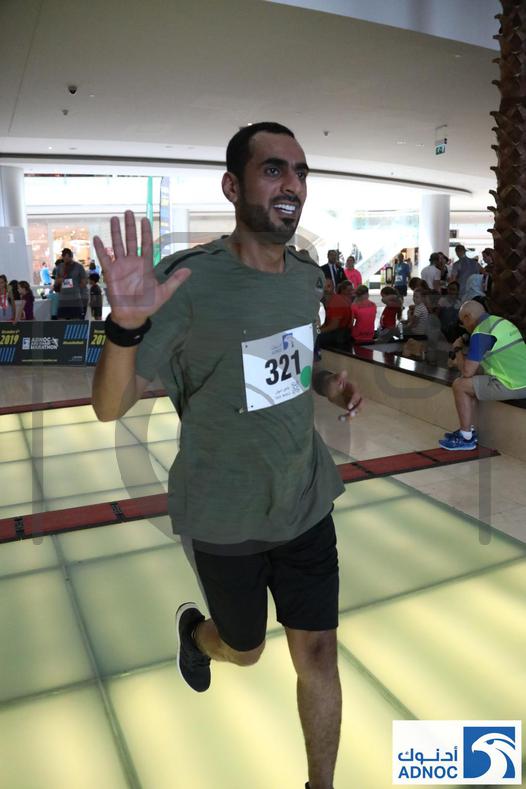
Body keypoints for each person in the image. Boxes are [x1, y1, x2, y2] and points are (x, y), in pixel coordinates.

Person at [92, 121, 364, 789]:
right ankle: (197, 636)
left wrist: (326, 380)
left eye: (300, 171)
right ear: (232, 186)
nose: (292, 183)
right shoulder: (189, 282)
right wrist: (126, 327)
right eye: (273, 169)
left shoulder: (304, 276)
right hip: (224, 513)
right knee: (244, 650)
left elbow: (291, 357)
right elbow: (109, 405)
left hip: (304, 498)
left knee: (318, 654)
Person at [439, 300, 526, 450]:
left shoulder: (481, 332)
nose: (464, 327)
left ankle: (466, 437)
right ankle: (469, 431)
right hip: (520, 379)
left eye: (462, 323)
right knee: (472, 381)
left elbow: (466, 372)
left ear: (467, 317)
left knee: (460, 385)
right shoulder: (501, 322)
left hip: (514, 384)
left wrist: (457, 349)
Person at [318, 278, 353, 350]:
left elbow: (334, 326)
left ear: (333, 287)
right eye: (323, 286)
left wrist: (318, 331)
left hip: (340, 335)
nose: (325, 289)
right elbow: (328, 322)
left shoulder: (335, 303)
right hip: (340, 333)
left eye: (328, 286)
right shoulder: (331, 300)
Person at [52, 248, 87, 319]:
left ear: (71, 257)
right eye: (65, 259)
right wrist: (59, 280)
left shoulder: (79, 267)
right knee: (61, 320)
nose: (66, 260)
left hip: (75, 299)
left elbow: (84, 281)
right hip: (63, 299)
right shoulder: (59, 267)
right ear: (62, 258)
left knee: (76, 320)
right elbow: (56, 282)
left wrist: (76, 287)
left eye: (68, 258)